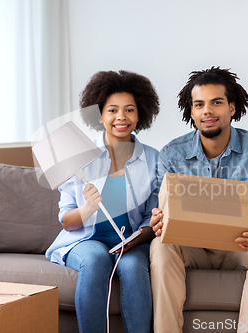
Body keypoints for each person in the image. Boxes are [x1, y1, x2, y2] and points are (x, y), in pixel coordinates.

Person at [149, 67, 248, 333]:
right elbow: (164, 209)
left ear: (232, 108)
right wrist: (159, 222)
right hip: (193, 247)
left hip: (239, 246)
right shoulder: (171, 155)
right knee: (160, 246)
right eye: (199, 104)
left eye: (216, 103)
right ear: (191, 111)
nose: (207, 111)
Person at [46, 70, 160, 333]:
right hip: (85, 241)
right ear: (99, 115)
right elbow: (67, 221)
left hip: (131, 242)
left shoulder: (154, 159)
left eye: (129, 110)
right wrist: (87, 209)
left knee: (133, 268)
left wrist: (138, 237)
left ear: (140, 113)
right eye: (112, 110)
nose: (121, 117)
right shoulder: (79, 158)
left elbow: (151, 218)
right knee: (96, 259)